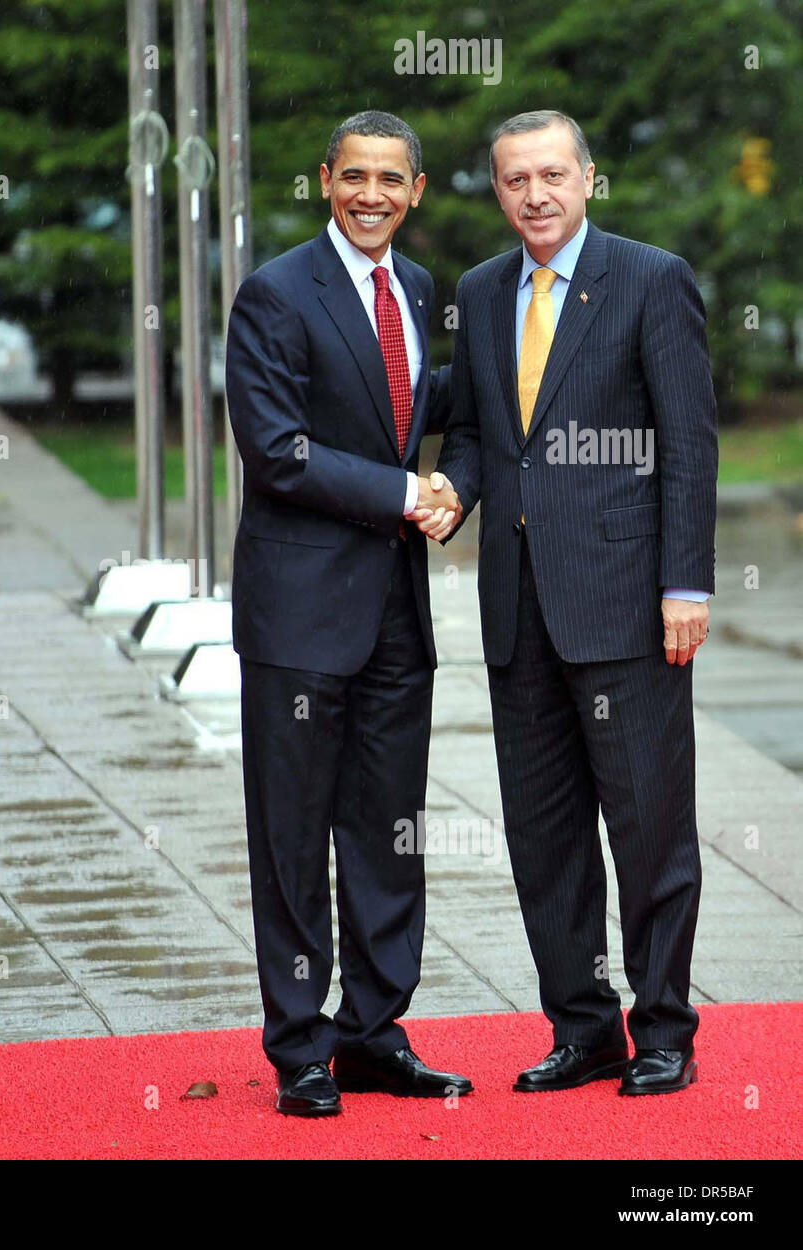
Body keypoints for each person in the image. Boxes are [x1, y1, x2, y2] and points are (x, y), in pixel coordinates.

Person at [434, 110, 717, 1095]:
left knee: (646, 829)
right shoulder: (478, 291)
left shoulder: (650, 278)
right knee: (543, 834)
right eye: (515, 179)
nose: (534, 194)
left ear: (588, 178)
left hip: (628, 609)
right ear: (498, 190)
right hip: (517, 613)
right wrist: (452, 492)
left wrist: (685, 582)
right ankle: (582, 1024)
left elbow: (687, 443)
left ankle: (666, 1029)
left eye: (552, 174)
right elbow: (472, 433)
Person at [225, 109, 468, 1117]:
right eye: (353, 175)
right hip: (298, 616)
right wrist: (409, 496)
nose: (371, 194)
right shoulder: (274, 292)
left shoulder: (415, 289)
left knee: (386, 832)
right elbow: (276, 450)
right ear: (325, 180)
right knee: (291, 838)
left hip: (394, 620)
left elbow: (415, 408)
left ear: (415, 191)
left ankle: (374, 1032)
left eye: (390, 180)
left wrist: (463, 462)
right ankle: (300, 1047)